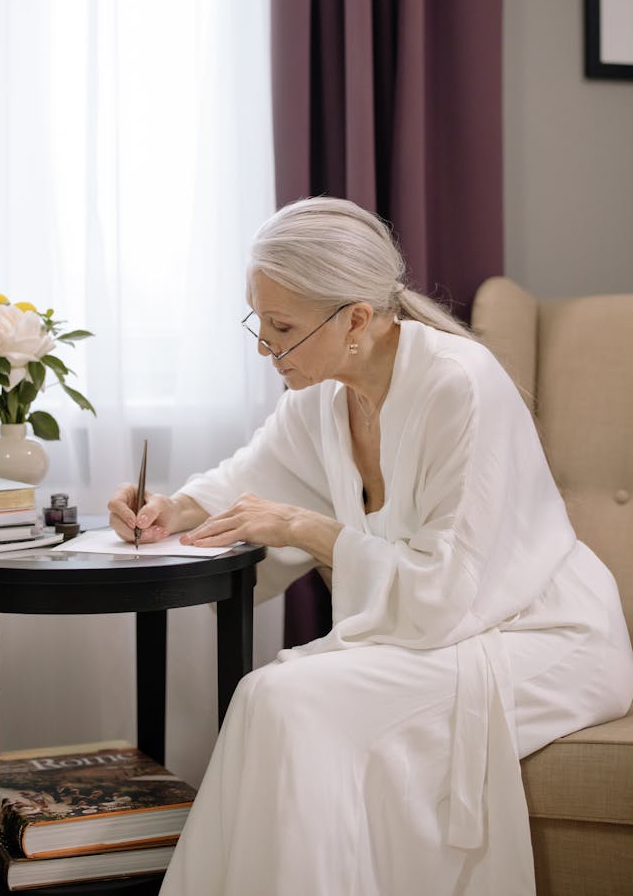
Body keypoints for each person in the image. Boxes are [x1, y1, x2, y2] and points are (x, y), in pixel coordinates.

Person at [107, 197, 633, 896]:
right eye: (256, 319)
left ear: (355, 317)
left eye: (282, 326)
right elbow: (243, 479)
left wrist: (307, 528)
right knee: (271, 697)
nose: (263, 345)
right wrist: (167, 509)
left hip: (540, 635)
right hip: (440, 632)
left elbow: (448, 596)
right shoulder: (322, 396)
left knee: (288, 700)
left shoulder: (460, 387)